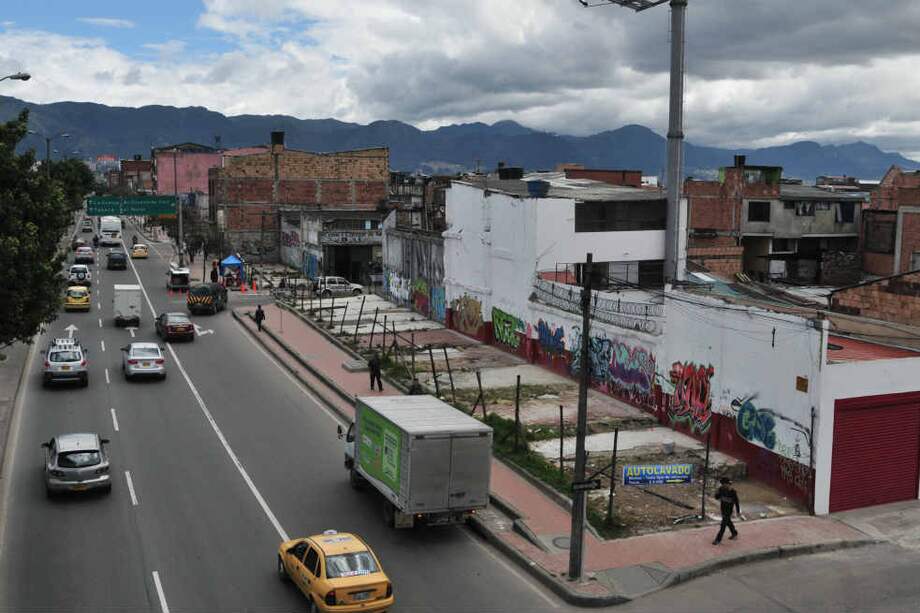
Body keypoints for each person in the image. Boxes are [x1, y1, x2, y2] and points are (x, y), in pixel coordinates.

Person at [713, 477, 741, 545]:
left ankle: (718, 539)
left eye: (728, 484)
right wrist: (717, 492)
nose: (727, 485)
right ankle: (734, 533)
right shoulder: (721, 490)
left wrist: (738, 511)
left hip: (729, 511)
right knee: (728, 522)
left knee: (723, 525)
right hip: (723, 509)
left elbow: (736, 502)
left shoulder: (733, 492)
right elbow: (717, 497)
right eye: (724, 484)